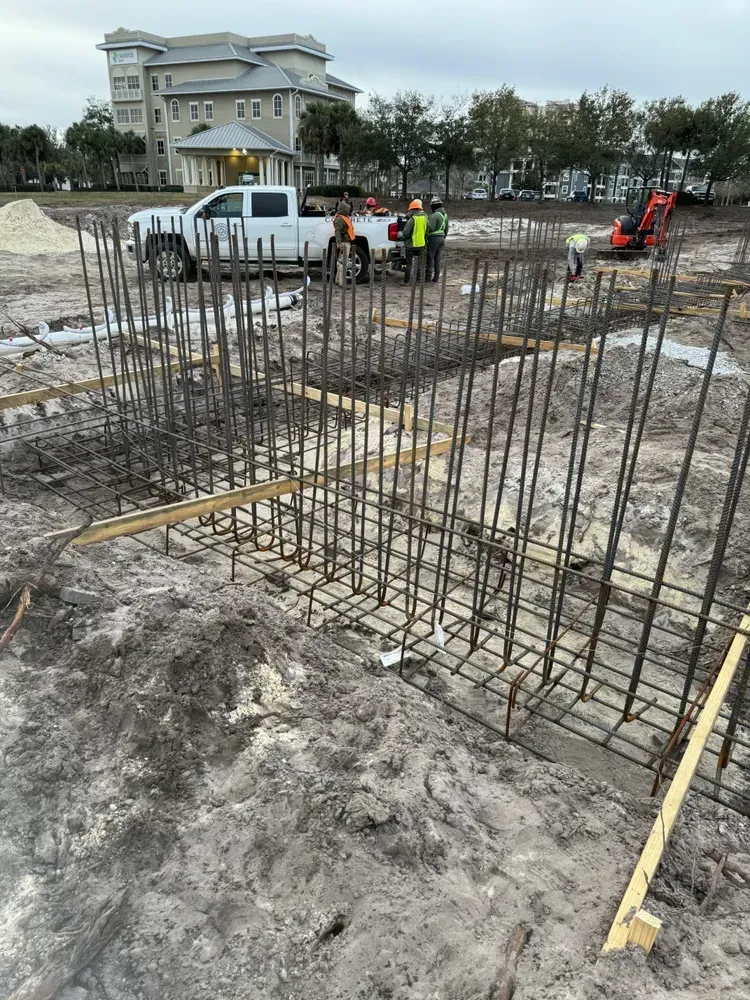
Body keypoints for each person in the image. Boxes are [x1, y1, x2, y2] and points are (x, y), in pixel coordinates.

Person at [401, 199, 428, 285]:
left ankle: (406, 282)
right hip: (421, 245)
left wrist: (403, 237)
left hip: (410, 245)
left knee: (409, 264)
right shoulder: (425, 219)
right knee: (419, 264)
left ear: (412, 210)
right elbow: (427, 231)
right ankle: (418, 281)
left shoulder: (412, 220)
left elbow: (406, 233)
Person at [425, 196, 449, 283]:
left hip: (433, 239)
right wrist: (442, 237)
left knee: (430, 257)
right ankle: (436, 278)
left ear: (434, 206)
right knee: (437, 259)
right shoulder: (445, 215)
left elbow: (430, 228)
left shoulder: (435, 215)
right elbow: (446, 229)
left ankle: (427, 278)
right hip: (441, 238)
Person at [333, 201, 355, 284]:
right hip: (344, 243)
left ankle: (338, 280)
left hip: (344, 242)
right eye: (347, 208)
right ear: (343, 209)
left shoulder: (342, 217)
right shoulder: (339, 219)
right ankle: (342, 283)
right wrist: (339, 243)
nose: (348, 210)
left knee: (340, 262)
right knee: (343, 263)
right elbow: (337, 231)